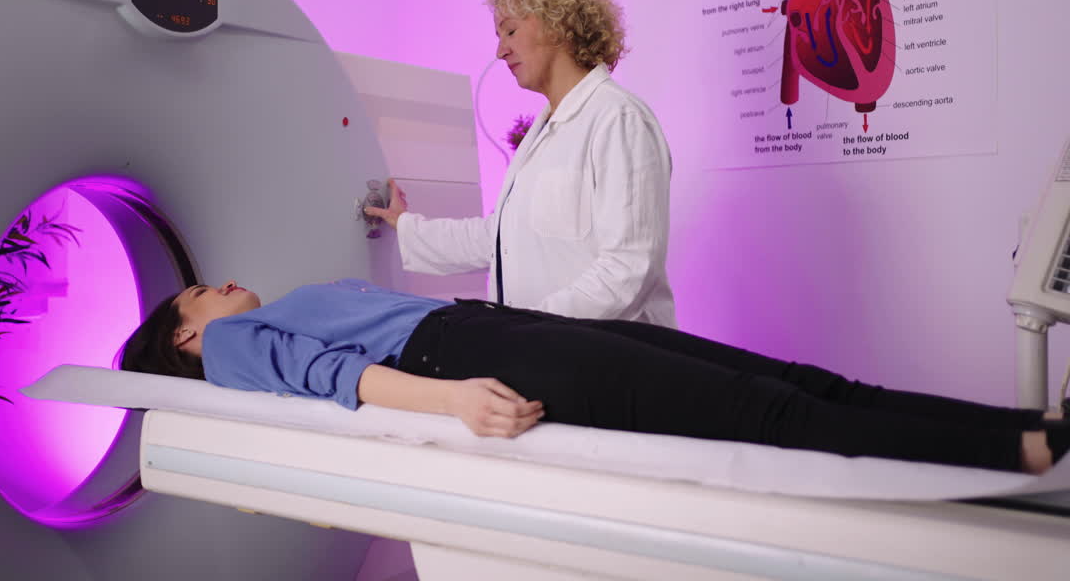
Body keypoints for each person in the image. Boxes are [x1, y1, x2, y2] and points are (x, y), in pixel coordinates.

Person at [121, 279, 1070, 475]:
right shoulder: (240, 351)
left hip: (495, 329)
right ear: (189, 341)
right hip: (463, 356)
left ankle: (1025, 425)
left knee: (795, 379)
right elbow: (339, 378)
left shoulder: (278, 303)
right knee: (763, 409)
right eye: (200, 295)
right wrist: (453, 398)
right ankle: (1020, 449)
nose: (221, 287)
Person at [364, 0, 675, 326]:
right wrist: (407, 226)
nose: (500, 51)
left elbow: (629, 269)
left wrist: (527, 329)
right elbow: (501, 236)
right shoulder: (545, 132)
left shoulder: (618, 119)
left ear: (557, 25)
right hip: (548, 352)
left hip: (608, 360)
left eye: (509, 31)